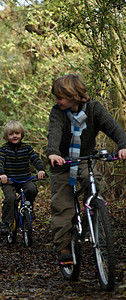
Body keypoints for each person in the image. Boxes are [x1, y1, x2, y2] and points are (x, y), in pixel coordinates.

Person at [46, 74, 126, 262]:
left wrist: (123, 145)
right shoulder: (57, 112)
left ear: (74, 95)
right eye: (55, 98)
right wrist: (52, 152)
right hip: (62, 162)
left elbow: (114, 129)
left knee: (93, 184)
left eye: (60, 97)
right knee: (63, 206)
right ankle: (64, 246)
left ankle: (94, 217)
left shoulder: (94, 109)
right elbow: (54, 132)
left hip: (84, 158)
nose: (57, 101)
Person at [0, 120, 46, 236]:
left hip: (25, 179)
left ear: (21, 135)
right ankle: (6, 222)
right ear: (6, 136)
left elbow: (35, 159)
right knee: (10, 198)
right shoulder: (4, 149)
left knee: (32, 189)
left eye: (17, 133)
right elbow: (0, 162)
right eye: (11, 134)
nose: (15, 136)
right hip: (9, 181)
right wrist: (2, 174)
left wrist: (41, 169)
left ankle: (29, 206)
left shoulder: (27, 148)